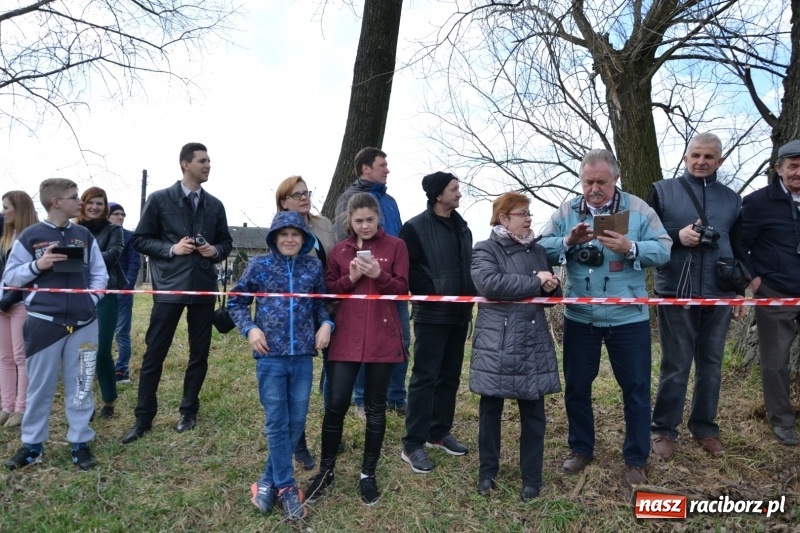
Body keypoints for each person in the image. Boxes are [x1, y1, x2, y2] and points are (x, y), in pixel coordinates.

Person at [539, 149, 671, 487]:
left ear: (615, 179)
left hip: (629, 316)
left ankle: (636, 458)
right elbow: (540, 248)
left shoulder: (639, 209)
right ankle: (581, 448)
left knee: (637, 390)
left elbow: (665, 248)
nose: (594, 188)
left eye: (601, 181)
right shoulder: (567, 211)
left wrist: (631, 247)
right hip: (580, 314)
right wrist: (568, 241)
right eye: (588, 182)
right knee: (577, 387)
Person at [122, 142, 233, 443]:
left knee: (200, 354)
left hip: (203, 289)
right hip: (169, 288)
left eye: (210, 160)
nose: (208, 165)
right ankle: (143, 417)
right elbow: (140, 240)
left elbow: (227, 244)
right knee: (154, 355)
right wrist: (172, 248)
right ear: (185, 164)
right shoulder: (159, 200)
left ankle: (189, 411)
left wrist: (214, 250)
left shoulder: (215, 205)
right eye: (202, 160)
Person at [647, 133, 747, 461]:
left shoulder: (733, 199)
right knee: (676, 364)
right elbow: (646, 236)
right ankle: (663, 428)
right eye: (696, 155)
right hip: (676, 290)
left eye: (709, 157)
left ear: (719, 161)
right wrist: (678, 236)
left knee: (712, 364)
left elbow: (739, 247)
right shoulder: (662, 191)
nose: (701, 162)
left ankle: (705, 427)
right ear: (685, 157)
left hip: (718, 293)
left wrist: (737, 292)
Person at [227, 211, 333, 521]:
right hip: (270, 358)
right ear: (274, 238)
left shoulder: (313, 267)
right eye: (283, 234)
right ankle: (287, 488)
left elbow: (320, 304)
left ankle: (266, 481)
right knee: (277, 420)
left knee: (297, 420)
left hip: (302, 357)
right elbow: (236, 301)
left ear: (304, 239)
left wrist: (326, 324)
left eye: (295, 234)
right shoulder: (260, 265)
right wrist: (251, 329)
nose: (289, 239)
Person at [305, 192, 409, 506]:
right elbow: (329, 292)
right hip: (345, 337)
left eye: (370, 220)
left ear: (379, 218)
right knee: (335, 405)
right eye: (359, 220)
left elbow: (403, 289)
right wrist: (350, 278)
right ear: (350, 221)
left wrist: (380, 276)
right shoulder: (339, 250)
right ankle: (325, 471)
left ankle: (368, 474)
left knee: (376, 407)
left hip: (382, 335)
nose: (365, 226)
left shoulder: (396, 246)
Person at [2, 178, 108, 471]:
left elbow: (100, 272)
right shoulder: (30, 236)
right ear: (56, 202)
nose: (81, 202)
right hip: (43, 324)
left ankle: (79, 442)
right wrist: (39, 265)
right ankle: (33, 446)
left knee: (83, 384)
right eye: (75, 197)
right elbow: (10, 278)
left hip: (84, 322)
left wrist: (93, 299)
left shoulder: (84, 235)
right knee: (40, 387)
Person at [470, 192, 562, 501]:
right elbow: (490, 284)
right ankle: (487, 473)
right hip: (496, 342)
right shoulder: (485, 249)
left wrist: (552, 287)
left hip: (531, 342)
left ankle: (532, 478)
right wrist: (536, 280)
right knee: (490, 411)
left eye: (528, 214)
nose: (528, 219)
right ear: (503, 218)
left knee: (534, 413)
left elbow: (548, 296)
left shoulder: (537, 250)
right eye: (521, 213)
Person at [398, 172, 475, 473]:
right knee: (424, 378)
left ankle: (439, 432)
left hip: (460, 313)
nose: (459, 194)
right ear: (437, 194)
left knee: (450, 377)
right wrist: (433, 291)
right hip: (432, 314)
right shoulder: (414, 228)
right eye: (454, 189)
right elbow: (409, 270)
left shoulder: (463, 228)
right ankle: (412, 443)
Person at [333, 147, 410, 416]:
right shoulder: (349, 199)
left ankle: (396, 397)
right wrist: (353, 272)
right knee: (364, 343)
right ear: (366, 168)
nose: (387, 170)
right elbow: (341, 240)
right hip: (360, 285)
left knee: (401, 340)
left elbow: (397, 238)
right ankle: (362, 400)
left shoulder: (390, 201)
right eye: (382, 165)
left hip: (390, 282)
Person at [741, 139, 800, 446]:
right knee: (775, 361)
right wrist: (754, 278)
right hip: (777, 292)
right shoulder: (758, 202)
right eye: (793, 166)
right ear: (779, 168)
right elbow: (741, 244)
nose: (798, 172)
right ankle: (782, 420)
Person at [275, 176, 336, 471]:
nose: (303, 198)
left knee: (334, 371)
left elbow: (334, 258)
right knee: (296, 385)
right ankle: (298, 442)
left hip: (331, 306)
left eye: (306, 192)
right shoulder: (283, 233)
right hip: (299, 315)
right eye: (296, 194)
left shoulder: (324, 224)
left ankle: (331, 431)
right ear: (283, 202)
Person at [76, 188, 126, 420]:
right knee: (81, 352)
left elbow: (114, 254)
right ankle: (84, 402)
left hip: (106, 295)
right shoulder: (73, 230)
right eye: (91, 203)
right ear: (83, 204)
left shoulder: (114, 229)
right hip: (75, 295)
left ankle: (109, 401)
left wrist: (79, 257)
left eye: (100, 203)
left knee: (102, 350)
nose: (95, 207)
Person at [0, 191, 38, 428]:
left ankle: (21, 409)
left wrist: (9, 299)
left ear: (19, 208)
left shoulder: (32, 237)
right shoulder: (5, 237)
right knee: (4, 357)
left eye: (6, 207)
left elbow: (32, 273)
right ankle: (6, 406)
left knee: (21, 356)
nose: (3, 212)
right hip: (2, 304)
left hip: (22, 303)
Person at [108, 202, 141, 385]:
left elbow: (135, 263)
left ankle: (121, 370)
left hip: (122, 291)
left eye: (123, 214)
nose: (120, 217)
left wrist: (127, 286)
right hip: (101, 291)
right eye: (116, 214)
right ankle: (102, 368)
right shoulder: (100, 236)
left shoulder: (130, 237)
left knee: (121, 333)